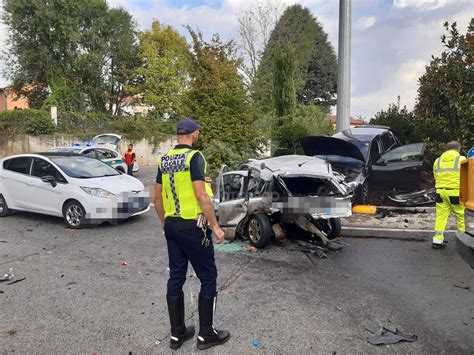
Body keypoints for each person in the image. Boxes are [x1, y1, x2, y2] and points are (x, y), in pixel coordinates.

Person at [154, 117, 230, 350]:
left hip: (172, 225)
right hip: (193, 227)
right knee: (208, 277)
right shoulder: (194, 157)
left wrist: (164, 222)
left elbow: (157, 197)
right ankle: (206, 334)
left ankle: (177, 334)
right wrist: (215, 226)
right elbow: (201, 195)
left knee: (176, 276)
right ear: (194, 134)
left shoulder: (164, 160)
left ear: (179, 134)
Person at [432, 141, 466, 249]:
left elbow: (435, 176)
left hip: (440, 192)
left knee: (441, 217)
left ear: (447, 149)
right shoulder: (462, 160)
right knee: (461, 217)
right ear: (458, 149)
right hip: (456, 192)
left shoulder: (437, 161)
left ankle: (437, 240)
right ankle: (463, 242)